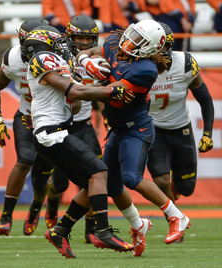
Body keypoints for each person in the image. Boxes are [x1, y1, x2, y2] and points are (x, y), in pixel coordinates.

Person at [76, 19, 191, 257]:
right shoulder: (114, 42)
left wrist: (81, 84)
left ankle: (177, 215)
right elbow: (89, 51)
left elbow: (111, 94)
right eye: (132, 35)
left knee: (132, 178)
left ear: (150, 48)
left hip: (136, 129)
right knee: (111, 185)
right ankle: (139, 225)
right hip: (118, 128)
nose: (130, 42)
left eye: (139, 40)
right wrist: (84, 60)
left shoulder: (145, 70)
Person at [23, 27, 135, 258]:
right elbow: (75, 90)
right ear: (46, 44)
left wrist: (84, 88)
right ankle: (102, 231)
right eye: (58, 42)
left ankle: (60, 230)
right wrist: (110, 91)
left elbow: (73, 101)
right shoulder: (42, 58)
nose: (65, 45)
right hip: (51, 133)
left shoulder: (59, 62)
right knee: (100, 171)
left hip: (59, 131)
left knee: (92, 184)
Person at [23, 15, 105, 243]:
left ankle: (93, 229)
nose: (84, 43)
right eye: (79, 37)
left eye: (88, 39)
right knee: (57, 183)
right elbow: (75, 94)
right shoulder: (50, 59)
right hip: (55, 129)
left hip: (80, 124)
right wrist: (109, 92)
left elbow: (81, 98)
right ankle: (43, 207)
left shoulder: (93, 57)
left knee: (96, 174)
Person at [0, 18, 52, 236]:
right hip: (26, 116)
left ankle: (35, 208)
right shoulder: (13, 58)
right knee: (24, 161)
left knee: (42, 177)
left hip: (51, 120)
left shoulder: (57, 58)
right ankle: (6, 216)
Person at [147, 22, 214, 220]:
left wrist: (208, 133)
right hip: (152, 129)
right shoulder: (137, 67)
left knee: (187, 187)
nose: (160, 51)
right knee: (160, 180)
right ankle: (175, 219)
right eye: (155, 46)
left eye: (163, 46)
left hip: (180, 128)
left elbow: (205, 99)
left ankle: (174, 191)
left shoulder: (184, 63)